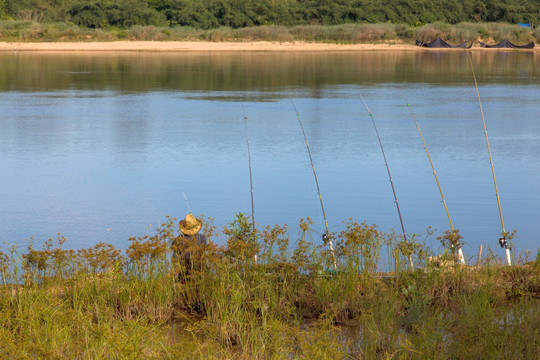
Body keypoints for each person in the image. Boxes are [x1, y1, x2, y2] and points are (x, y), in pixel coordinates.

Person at [173, 214, 207, 280]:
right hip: (199, 270)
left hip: (183, 272)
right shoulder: (202, 238)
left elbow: (175, 258)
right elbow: (202, 254)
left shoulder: (178, 239)